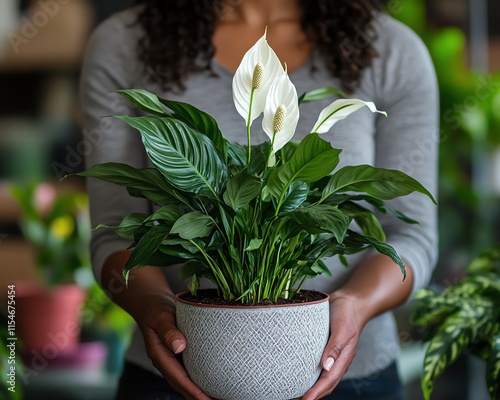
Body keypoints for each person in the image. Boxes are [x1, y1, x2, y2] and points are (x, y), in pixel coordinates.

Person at [80, 0, 438, 399]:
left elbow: (411, 238)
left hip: (349, 377)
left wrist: (355, 304)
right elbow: (115, 235)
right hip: (173, 375)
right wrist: (156, 310)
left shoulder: (392, 50)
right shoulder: (123, 43)